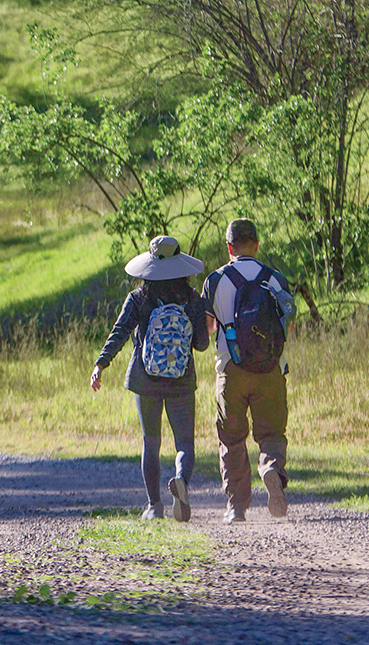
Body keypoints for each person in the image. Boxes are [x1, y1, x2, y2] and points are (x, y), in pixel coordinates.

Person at [91, 235, 209, 521]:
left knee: (151, 442)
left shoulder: (139, 298)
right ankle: (181, 479)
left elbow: (120, 332)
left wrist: (101, 364)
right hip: (181, 378)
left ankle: (154, 506)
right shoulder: (193, 300)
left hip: (145, 379)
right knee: (184, 443)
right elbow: (202, 345)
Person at [201, 218, 295, 524]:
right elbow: (288, 323)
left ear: (229, 247)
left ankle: (237, 507)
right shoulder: (276, 278)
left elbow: (208, 327)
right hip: (271, 370)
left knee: (231, 438)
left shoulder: (216, 280)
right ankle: (271, 469)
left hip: (231, 369)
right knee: (271, 432)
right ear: (256, 245)